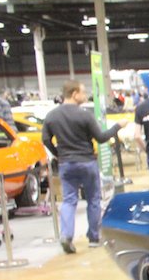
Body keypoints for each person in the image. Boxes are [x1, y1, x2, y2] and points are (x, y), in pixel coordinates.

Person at [41, 80, 121, 254]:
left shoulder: (52, 116)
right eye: (83, 92)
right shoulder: (85, 115)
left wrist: (58, 153)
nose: (85, 95)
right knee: (93, 199)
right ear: (74, 93)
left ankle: (66, 235)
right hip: (87, 162)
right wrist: (117, 126)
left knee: (69, 200)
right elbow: (101, 138)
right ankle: (94, 237)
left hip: (66, 163)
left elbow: (45, 139)